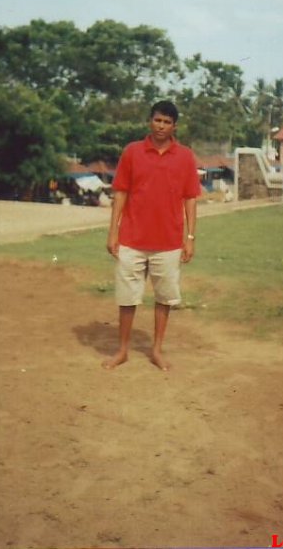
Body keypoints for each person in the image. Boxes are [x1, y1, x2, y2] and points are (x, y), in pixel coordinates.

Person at [104, 100, 201, 371]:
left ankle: (156, 350)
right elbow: (120, 192)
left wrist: (190, 238)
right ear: (150, 121)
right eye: (157, 120)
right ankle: (122, 350)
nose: (161, 126)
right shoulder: (132, 152)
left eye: (167, 122)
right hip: (131, 239)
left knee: (164, 297)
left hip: (168, 242)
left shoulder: (185, 157)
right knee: (127, 297)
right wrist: (113, 232)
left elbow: (190, 199)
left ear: (174, 126)